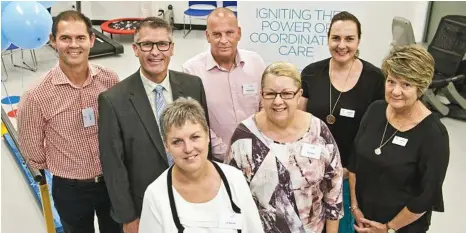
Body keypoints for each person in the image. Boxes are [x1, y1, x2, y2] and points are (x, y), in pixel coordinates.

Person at [98, 17, 210, 233]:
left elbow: (205, 141)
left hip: (192, 197)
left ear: (172, 48)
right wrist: (128, 217)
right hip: (144, 207)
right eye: (147, 44)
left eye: (162, 44)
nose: (155, 52)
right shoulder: (113, 100)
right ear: (135, 49)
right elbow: (114, 165)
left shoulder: (192, 85)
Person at [17, 10, 121, 233]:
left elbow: (121, 126)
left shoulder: (109, 79)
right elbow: (32, 151)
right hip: (70, 188)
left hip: (113, 181)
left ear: (92, 40)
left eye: (80, 38)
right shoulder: (36, 95)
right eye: (65, 38)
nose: (74, 45)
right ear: (53, 41)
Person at [227, 62, 344, 233]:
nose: (278, 101)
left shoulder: (318, 132)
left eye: (287, 94)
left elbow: (334, 190)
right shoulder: (244, 136)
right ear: (261, 95)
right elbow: (232, 196)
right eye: (270, 94)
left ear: (299, 95)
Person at [298, 11, 385, 233]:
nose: (342, 45)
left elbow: (377, 132)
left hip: (352, 173)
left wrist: (348, 169)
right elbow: (300, 123)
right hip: (313, 170)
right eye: (336, 38)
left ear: (359, 40)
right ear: (328, 38)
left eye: (349, 39)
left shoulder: (375, 79)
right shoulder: (311, 73)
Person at [348, 45, 450, 233]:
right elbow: (354, 162)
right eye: (391, 81)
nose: (395, 91)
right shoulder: (375, 110)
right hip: (364, 222)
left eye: (406, 84)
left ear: (421, 87)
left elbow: (426, 195)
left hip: (401, 228)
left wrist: (388, 228)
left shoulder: (434, 134)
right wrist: (355, 208)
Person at [139, 97, 264, 233]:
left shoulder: (234, 179)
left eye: (195, 137)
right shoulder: (155, 195)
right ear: (166, 146)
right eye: (177, 142)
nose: (188, 148)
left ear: (208, 136)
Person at [182, 7, 266, 161]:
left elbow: (264, 106)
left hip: (257, 151)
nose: (224, 40)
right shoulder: (192, 70)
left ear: (238, 33)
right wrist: (226, 154)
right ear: (207, 36)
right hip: (216, 158)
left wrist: (259, 145)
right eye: (216, 34)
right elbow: (196, 121)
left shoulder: (256, 62)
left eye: (229, 33)